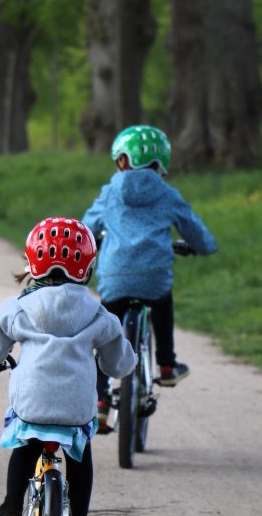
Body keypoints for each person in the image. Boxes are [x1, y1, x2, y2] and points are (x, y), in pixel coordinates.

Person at [0, 216, 136, 516]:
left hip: (33, 403)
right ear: (87, 266)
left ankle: (11, 506)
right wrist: (123, 362)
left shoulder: (20, 308)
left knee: (25, 442)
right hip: (76, 407)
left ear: (33, 263)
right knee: (80, 457)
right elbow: (119, 363)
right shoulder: (99, 314)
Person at [83, 125, 217, 429]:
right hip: (154, 274)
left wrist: (90, 245)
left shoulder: (110, 192)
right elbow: (194, 229)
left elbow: (88, 227)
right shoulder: (167, 194)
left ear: (121, 160)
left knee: (107, 332)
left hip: (115, 275)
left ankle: (102, 401)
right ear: (161, 164)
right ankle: (167, 364)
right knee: (162, 304)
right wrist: (203, 247)